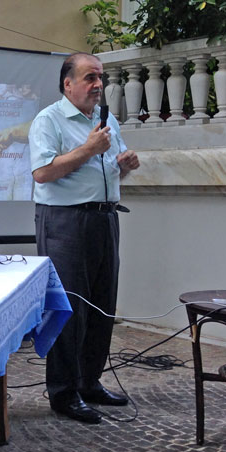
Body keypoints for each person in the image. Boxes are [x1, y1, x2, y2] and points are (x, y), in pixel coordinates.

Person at [28, 53, 140, 424]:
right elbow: (43, 172)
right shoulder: (49, 120)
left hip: (104, 218)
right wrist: (88, 150)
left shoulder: (106, 120)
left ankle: (90, 381)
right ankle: (63, 391)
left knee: (102, 303)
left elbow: (105, 172)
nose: (98, 85)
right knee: (69, 307)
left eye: (101, 78)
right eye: (90, 77)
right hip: (65, 222)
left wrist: (121, 167)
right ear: (68, 84)